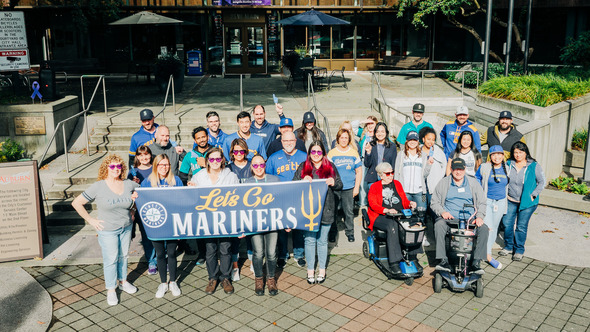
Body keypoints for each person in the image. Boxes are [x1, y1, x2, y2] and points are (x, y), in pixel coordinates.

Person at [71, 154, 139, 306]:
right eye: (112, 166)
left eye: (118, 166)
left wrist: (134, 207)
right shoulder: (99, 186)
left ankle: (123, 281)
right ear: (106, 168)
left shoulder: (129, 184)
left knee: (124, 255)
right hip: (108, 229)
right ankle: (110, 289)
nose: (116, 169)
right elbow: (77, 203)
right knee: (111, 259)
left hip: (126, 226)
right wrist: (91, 220)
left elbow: (139, 198)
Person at [188, 148, 239, 295]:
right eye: (212, 159)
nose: (215, 162)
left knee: (225, 248)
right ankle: (212, 277)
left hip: (225, 219)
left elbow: (236, 197)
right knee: (210, 249)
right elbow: (193, 198)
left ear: (222, 160)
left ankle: (225, 278)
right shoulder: (199, 176)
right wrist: (191, 188)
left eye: (218, 159)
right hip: (207, 219)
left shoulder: (231, 176)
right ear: (207, 160)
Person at [293, 141, 343, 284]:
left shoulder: (330, 166)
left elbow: (340, 184)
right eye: (313, 152)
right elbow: (293, 184)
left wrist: (333, 182)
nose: (316, 155)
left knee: (322, 241)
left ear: (323, 153)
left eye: (319, 152)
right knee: (309, 240)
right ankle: (310, 270)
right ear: (309, 153)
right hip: (308, 211)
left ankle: (322, 269)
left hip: (326, 208)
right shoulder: (303, 167)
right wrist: (302, 180)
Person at [431, 158, 489, 275]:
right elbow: (434, 202)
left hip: (469, 218)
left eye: (461, 169)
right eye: (456, 169)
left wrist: (479, 217)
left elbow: (482, 202)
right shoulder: (444, 182)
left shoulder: (473, 183)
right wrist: (442, 212)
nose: (458, 172)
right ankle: (443, 260)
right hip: (450, 218)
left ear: (465, 169)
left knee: (484, 229)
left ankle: (476, 263)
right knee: (439, 225)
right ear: (451, 169)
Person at [140, 154, 183, 298]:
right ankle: (163, 283)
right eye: (161, 165)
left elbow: (183, 200)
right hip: (156, 222)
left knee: (171, 253)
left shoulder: (175, 180)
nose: (164, 167)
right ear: (155, 166)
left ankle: (173, 282)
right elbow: (142, 201)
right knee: (159, 254)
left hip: (171, 223)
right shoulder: (147, 181)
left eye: (166, 165)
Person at [366, 162, 419, 274]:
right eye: (388, 173)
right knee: (392, 225)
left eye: (392, 172)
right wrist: (386, 210)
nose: (391, 175)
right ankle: (394, 262)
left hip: (398, 214)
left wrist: (410, 203)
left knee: (416, 223)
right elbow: (372, 204)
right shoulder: (374, 187)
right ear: (381, 175)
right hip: (381, 216)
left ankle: (413, 257)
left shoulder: (397, 184)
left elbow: (403, 200)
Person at [266, 131, 308, 268]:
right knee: (282, 228)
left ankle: (299, 254)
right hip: (281, 198)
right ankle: (282, 255)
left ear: (295, 141)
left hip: (299, 197)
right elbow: (268, 178)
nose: (288, 143)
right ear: (281, 142)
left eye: (291, 140)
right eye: (285, 141)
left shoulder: (304, 156)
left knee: (298, 227)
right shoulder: (273, 158)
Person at [498, 142, 545, 261]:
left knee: (521, 226)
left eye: (520, 152)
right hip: (510, 200)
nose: (518, 155)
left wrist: (533, 195)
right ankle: (509, 246)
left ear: (526, 152)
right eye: (515, 152)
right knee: (507, 223)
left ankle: (519, 249)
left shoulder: (533, 165)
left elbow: (541, 182)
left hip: (527, 203)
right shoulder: (508, 164)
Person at [244, 156, 281, 296]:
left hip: (272, 222)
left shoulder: (274, 180)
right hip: (255, 224)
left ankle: (271, 279)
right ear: (251, 167)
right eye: (255, 165)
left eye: (261, 165)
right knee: (258, 253)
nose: (259, 168)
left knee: (271, 253)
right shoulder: (247, 183)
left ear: (265, 165)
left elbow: (282, 200)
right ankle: (259, 279)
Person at [475, 145, 508, 270]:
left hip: (500, 202)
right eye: (494, 154)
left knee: (494, 228)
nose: (496, 157)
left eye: (499, 154)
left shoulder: (507, 168)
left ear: (503, 156)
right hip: (487, 201)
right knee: (487, 227)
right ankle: (487, 256)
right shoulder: (485, 167)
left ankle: (487, 252)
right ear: (490, 156)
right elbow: (477, 177)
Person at [327, 128, 362, 242]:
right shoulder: (332, 153)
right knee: (333, 211)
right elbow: (327, 171)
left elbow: (359, 171)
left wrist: (356, 187)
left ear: (349, 139)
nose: (343, 140)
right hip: (335, 188)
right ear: (338, 139)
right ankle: (332, 233)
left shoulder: (353, 152)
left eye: (346, 138)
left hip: (349, 187)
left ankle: (350, 232)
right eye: (341, 137)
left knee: (349, 211)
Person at [128, 146, 157, 275]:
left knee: (159, 235)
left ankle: (162, 258)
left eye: (147, 155)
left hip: (156, 206)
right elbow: (127, 191)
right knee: (146, 236)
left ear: (150, 155)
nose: (144, 158)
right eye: (141, 155)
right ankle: (151, 261)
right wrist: (133, 184)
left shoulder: (156, 168)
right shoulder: (133, 172)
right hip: (140, 208)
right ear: (137, 157)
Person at [227, 138, 252, 281]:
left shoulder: (251, 165)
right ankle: (235, 266)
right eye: (236, 151)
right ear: (232, 152)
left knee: (252, 237)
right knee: (234, 240)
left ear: (245, 151)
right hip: (234, 209)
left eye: (241, 150)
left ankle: (253, 263)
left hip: (250, 208)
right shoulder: (228, 168)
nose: (239, 153)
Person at [419, 126, 447, 246]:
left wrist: (439, 182)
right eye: (428, 139)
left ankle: (437, 235)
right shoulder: (418, 150)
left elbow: (444, 166)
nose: (431, 141)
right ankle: (422, 235)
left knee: (434, 210)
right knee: (421, 210)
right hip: (421, 188)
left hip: (433, 187)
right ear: (423, 139)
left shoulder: (438, 151)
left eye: (433, 139)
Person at [394, 131, 431, 212]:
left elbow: (425, 175)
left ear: (418, 142)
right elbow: (397, 173)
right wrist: (397, 189)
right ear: (407, 141)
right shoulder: (401, 155)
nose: (412, 142)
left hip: (419, 191)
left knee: (421, 214)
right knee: (405, 214)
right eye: (410, 140)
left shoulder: (423, 156)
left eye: (414, 140)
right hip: (405, 191)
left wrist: (428, 165)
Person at [364, 122, 397, 198]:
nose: (380, 134)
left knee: (385, 201)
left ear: (386, 133)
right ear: (375, 133)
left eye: (382, 131)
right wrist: (368, 152)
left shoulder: (392, 146)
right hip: (373, 177)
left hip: (387, 177)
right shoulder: (371, 145)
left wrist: (391, 177)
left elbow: (393, 163)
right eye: (378, 131)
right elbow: (367, 164)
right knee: (374, 201)